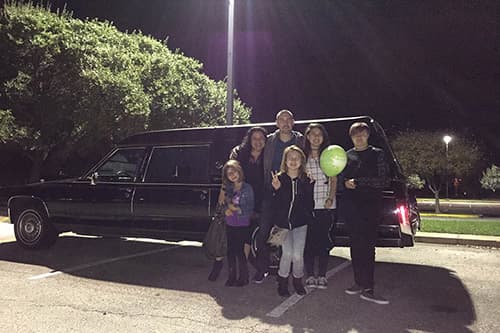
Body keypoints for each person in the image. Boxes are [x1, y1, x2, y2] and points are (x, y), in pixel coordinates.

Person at [338, 122, 390, 304]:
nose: (359, 138)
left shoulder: (377, 154)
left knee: (368, 247)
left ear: (367, 136)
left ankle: (369, 287)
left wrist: (359, 182)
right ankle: (358, 282)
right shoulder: (347, 155)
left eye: (362, 134)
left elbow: (383, 180)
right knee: (355, 246)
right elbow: (341, 178)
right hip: (351, 207)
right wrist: (344, 183)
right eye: (355, 135)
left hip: (370, 207)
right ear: (351, 137)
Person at [254, 109, 305, 283]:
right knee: (264, 232)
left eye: (288, 119)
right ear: (276, 123)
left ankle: (284, 271)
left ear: (293, 122)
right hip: (271, 192)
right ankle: (262, 269)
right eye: (281, 119)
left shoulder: (300, 140)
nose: (285, 122)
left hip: (293, 193)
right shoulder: (268, 141)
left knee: (288, 232)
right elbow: (249, 148)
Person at [271, 145, 314, 296]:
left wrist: (309, 187)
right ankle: (282, 282)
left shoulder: (306, 179)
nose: (293, 161)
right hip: (282, 224)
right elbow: (275, 204)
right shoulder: (279, 178)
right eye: (290, 158)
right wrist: (276, 190)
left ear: (302, 161)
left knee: (298, 255)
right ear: (285, 161)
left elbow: (310, 204)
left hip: (300, 224)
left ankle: (297, 280)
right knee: (287, 254)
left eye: (297, 158)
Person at [303, 123, 337, 289]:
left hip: (325, 204)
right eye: (313, 134)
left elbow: (334, 178)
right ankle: (309, 275)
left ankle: (322, 275)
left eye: (319, 134)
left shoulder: (328, 156)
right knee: (309, 241)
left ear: (323, 138)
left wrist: (331, 197)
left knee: (323, 241)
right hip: (308, 206)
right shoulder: (302, 156)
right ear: (308, 137)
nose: (316, 137)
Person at [229, 127, 267, 259]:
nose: (258, 141)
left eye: (261, 138)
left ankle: (249, 265)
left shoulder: (268, 156)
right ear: (249, 140)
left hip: (262, 201)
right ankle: (240, 267)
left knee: (255, 234)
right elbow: (230, 176)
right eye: (255, 138)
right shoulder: (240, 154)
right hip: (242, 200)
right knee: (241, 234)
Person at [218, 160, 254, 287]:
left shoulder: (247, 188)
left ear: (239, 171)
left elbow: (250, 207)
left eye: (234, 172)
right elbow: (222, 204)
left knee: (240, 250)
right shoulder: (228, 188)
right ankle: (231, 276)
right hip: (230, 223)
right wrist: (226, 210)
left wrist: (238, 209)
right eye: (229, 174)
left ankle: (243, 277)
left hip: (242, 223)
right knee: (230, 250)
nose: (232, 175)